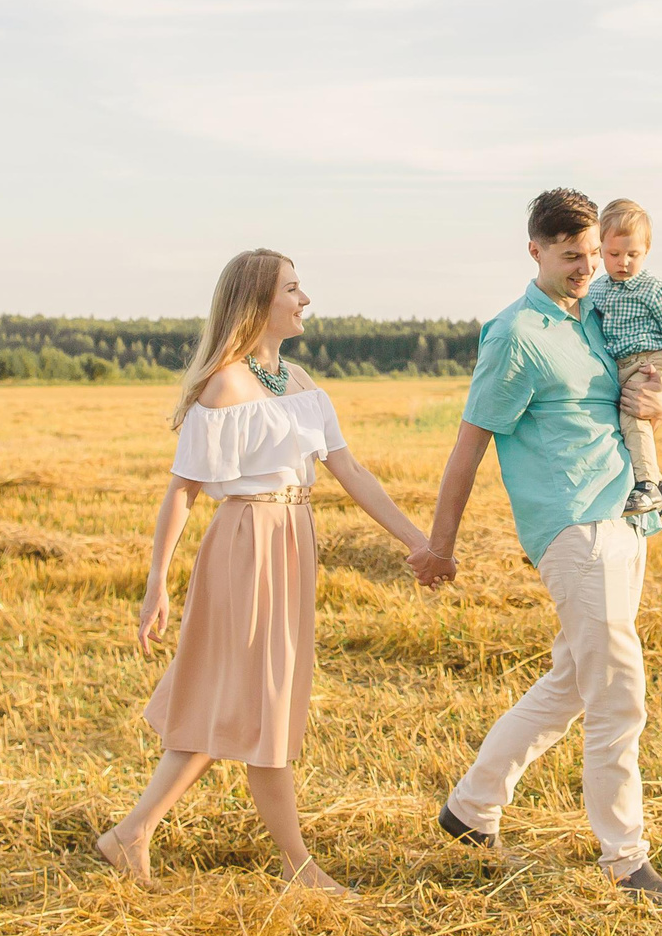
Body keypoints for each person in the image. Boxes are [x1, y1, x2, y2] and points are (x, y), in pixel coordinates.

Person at [95, 249, 438, 894]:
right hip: (245, 542)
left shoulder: (300, 382)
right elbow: (182, 492)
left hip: (294, 540)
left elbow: (352, 472)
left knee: (243, 700)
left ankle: (131, 834)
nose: (304, 300)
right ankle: (298, 865)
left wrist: (419, 543)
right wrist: (156, 586)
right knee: (264, 706)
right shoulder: (225, 386)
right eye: (292, 288)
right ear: (258, 302)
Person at [421, 188, 662, 903]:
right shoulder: (514, 334)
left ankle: (471, 807)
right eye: (571, 256)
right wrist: (439, 546)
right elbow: (469, 443)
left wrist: (660, 397)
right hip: (570, 526)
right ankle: (625, 857)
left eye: (594, 254)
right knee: (619, 691)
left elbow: (646, 380)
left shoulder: (598, 314)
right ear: (534, 249)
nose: (586, 268)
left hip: (626, 516)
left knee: (573, 680)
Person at [589, 197, 662, 516]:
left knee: (633, 415)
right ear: (599, 249)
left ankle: (648, 486)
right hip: (621, 366)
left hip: (653, 362)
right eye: (614, 254)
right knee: (619, 424)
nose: (623, 261)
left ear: (646, 252)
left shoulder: (653, 289)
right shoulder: (597, 291)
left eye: (632, 254)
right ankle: (641, 484)